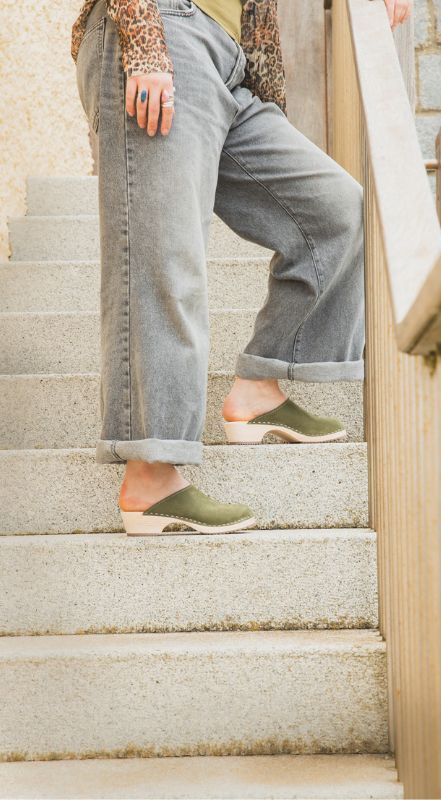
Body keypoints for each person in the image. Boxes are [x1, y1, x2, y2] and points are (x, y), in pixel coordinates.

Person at [71, 0, 412, 536]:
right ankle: (151, 476)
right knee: (166, 255)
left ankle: (259, 389)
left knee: (338, 213)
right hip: (163, 29)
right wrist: (142, 40)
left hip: (230, 66)